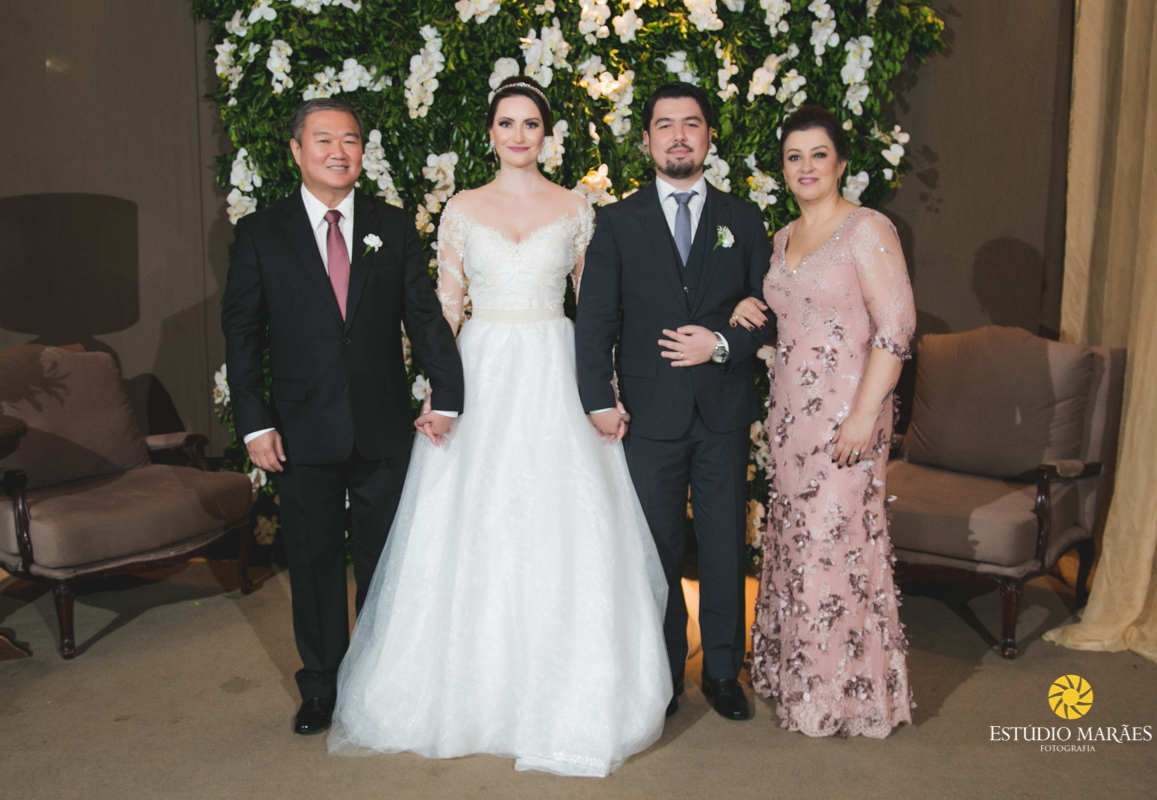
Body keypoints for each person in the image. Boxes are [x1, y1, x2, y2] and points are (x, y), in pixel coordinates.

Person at [327, 77, 672, 777]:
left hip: (554, 367)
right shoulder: (462, 208)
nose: (519, 135)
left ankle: (568, 688)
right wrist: (440, 394)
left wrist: (601, 391)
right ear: (490, 133)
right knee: (473, 521)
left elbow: (594, 310)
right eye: (507, 123)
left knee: (559, 523)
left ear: (547, 134)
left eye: (530, 124)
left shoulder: (576, 208)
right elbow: (446, 309)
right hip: (481, 370)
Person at [221, 99, 465, 736]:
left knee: (388, 564)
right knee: (314, 563)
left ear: (362, 151)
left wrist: (447, 395)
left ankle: (380, 680)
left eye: (350, 140)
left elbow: (424, 317)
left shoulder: (392, 225)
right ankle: (322, 685)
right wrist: (254, 423)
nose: (338, 151)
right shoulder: (261, 233)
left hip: (383, 427)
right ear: (297, 151)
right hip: (300, 431)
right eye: (323, 139)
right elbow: (242, 334)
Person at [575, 82, 777, 721]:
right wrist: (597, 399)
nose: (679, 135)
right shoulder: (617, 222)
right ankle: (659, 675)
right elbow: (595, 320)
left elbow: (770, 311)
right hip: (647, 415)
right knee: (654, 551)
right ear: (647, 140)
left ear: (709, 136)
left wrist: (722, 343)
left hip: (722, 411)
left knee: (723, 546)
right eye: (665, 125)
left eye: (691, 123)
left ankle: (721, 672)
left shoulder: (743, 219)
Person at [730, 105, 916, 737]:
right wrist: (752, 304)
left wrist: (863, 416)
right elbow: (792, 318)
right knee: (797, 539)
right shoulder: (782, 238)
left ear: (840, 164)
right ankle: (797, 677)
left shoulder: (868, 228)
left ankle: (842, 693)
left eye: (818, 155)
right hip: (789, 420)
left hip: (848, 418)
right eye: (794, 157)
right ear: (784, 169)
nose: (806, 167)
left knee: (836, 541)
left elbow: (896, 329)